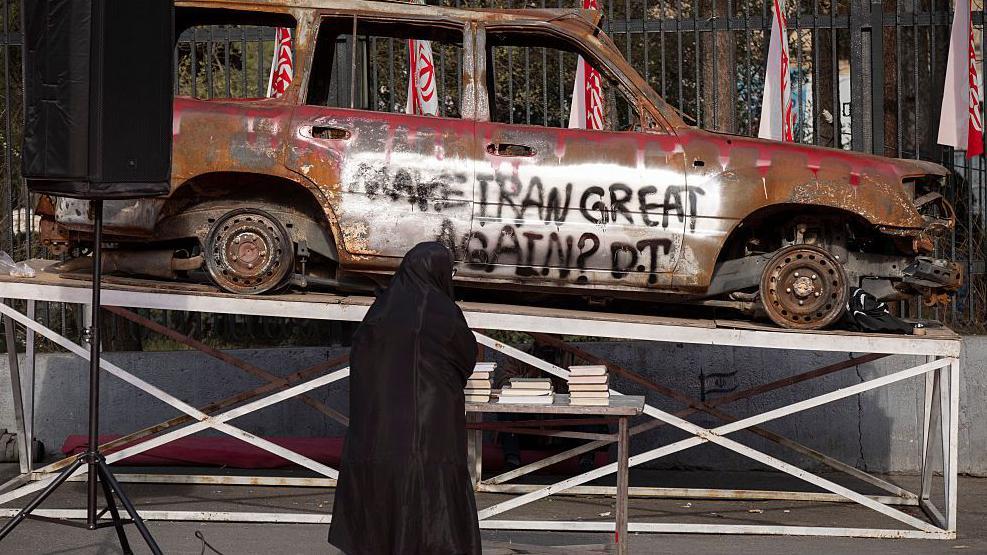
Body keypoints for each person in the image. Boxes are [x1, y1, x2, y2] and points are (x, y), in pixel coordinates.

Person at [329, 242, 481, 555]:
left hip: (380, 429)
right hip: (432, 427)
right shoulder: (444, 312)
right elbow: (466, 357)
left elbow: (360, 362)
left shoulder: (380, 311)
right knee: (430, 494)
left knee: (386, 499)